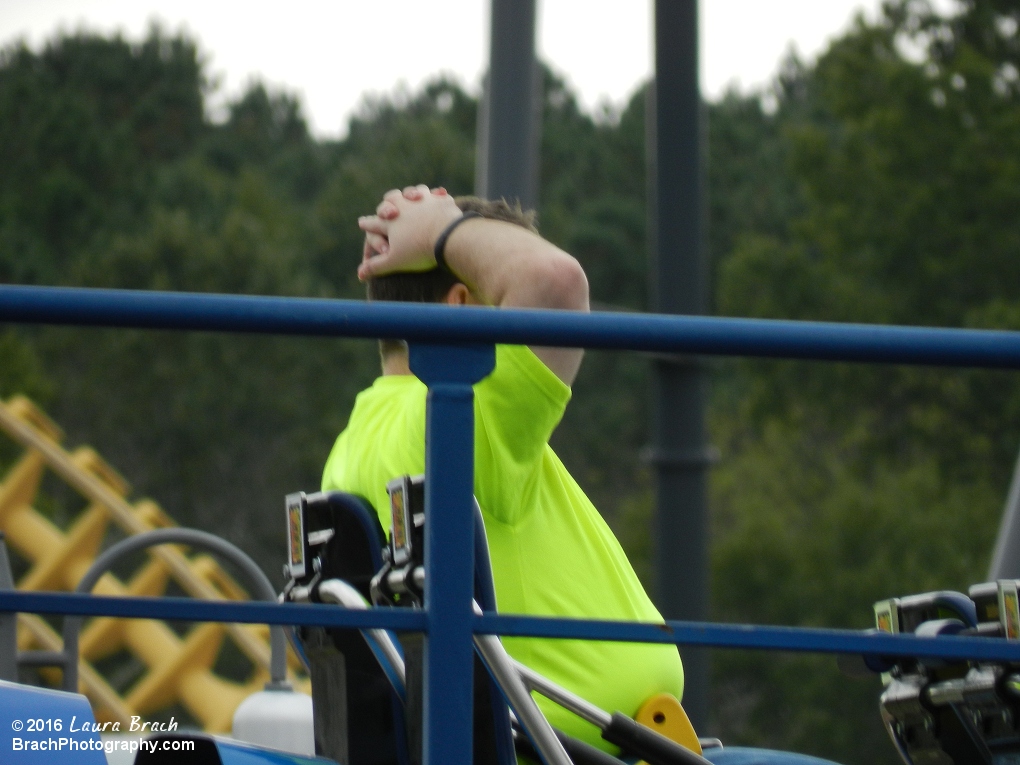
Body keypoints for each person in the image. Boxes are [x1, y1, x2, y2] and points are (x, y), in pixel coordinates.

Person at [323, 185, 844, 765]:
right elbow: (554, 284)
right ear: (462, 307)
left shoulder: (353, 445)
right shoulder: (452, 409)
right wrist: (443, 231)